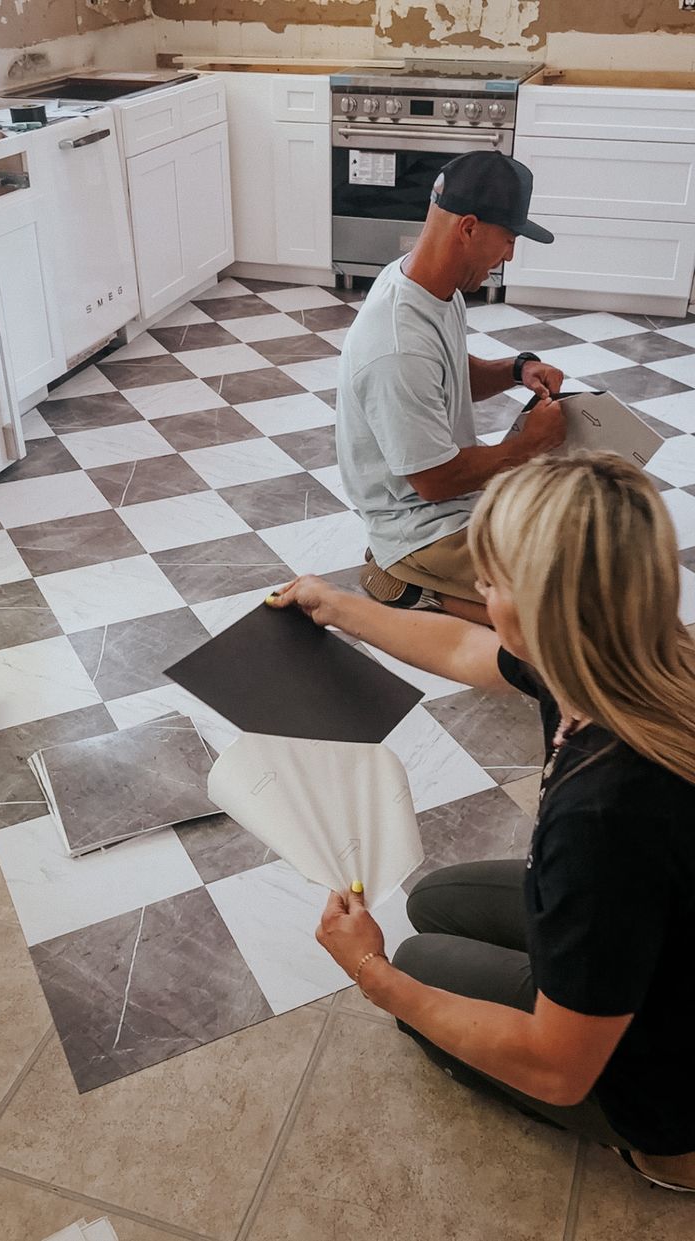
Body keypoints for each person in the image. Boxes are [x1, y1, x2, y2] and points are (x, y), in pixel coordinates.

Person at [268, 452, 695, 1191]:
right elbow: (470, 647)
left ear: (545, 612)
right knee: (434, 901)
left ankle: (670, 1155)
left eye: (489, 580)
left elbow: (556, 1066)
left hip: (664, 1079)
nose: (477, 593)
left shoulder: (604, 816)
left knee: (414, 968)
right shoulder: (632, 656)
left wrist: (371, 974)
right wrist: (339, 606)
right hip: (664, 944)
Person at [337, 149, 567, 623]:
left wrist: (514, 368)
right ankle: (406, 584)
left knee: (582, 541)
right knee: (570, 613)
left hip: (456, 500)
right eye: (508, 238)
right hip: (424, 527)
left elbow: (446, 370)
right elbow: (434, 481)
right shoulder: (397, 344)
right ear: (468, 228)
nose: (510, 253)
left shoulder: (428, 285)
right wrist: (527, 448)